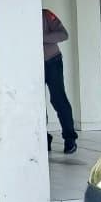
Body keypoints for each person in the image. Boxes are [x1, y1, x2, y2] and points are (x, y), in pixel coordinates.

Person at [43, 8, 78, 154]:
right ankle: (43, 138)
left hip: (52, 61)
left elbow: (63, 34)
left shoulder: (45, 14)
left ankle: (70, 139)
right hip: (31, 64)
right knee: (36, 103)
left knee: (58, 99)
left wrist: (41, 37)